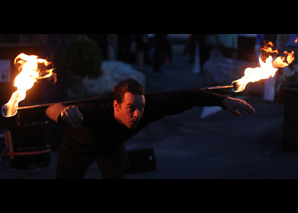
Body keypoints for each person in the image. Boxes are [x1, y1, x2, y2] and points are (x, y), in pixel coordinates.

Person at [46, 78, 256, 179]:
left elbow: (189, 97)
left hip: (111, 145)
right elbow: (51, 108)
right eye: (130, 108)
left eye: (141, 107)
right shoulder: (95, 110)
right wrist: (63, 114)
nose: (137, 115)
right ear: (116, 105)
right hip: (78, 144)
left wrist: (222, 101)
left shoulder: (149, 108)